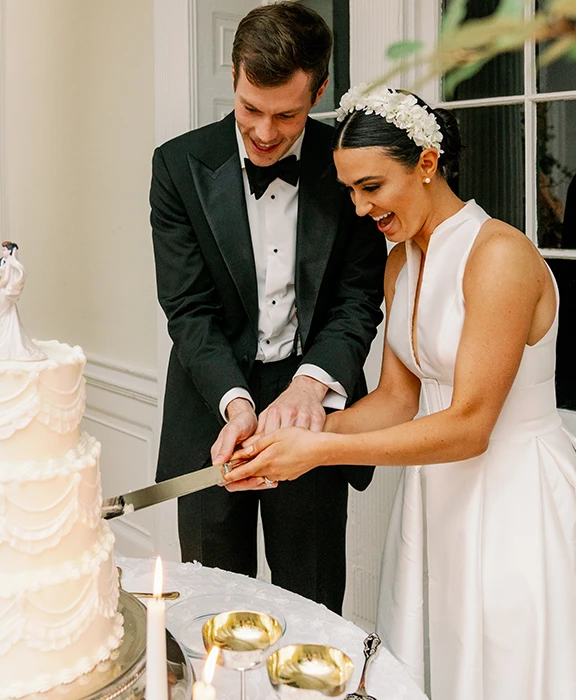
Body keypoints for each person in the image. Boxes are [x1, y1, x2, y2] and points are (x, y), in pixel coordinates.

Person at [224, 85, 576, 699]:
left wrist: (317, 455)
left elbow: (470, 424)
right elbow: (395, 399)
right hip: (435, 494)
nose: (360, 209)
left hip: (512, 495)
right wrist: (289, 434)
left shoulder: (499, 256)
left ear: (428, 164)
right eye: (350, 191)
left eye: (372, 187)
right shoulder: (401, 263)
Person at [150, 3, 386, 614]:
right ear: (234, 76)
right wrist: (234, 401)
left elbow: (358, 299)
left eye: (287, 114)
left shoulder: (348, 167)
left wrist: (311, 387)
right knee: (212, 612)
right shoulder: (178, 165)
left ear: (320, 90)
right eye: (251, 108)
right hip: (212, 405)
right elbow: (187, 308)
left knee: (310, 604)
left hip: (313, 405)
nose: (263, 132)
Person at [0, 242, 47, 361]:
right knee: (9, 315)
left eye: (4, 250)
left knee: (3, 316)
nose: (1, 252)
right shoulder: (10, 262)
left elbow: (6, 278)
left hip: (4, 292)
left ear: (10, 251)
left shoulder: (10, 262)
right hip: (3, 292)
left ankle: (5, 345)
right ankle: (5, 342)